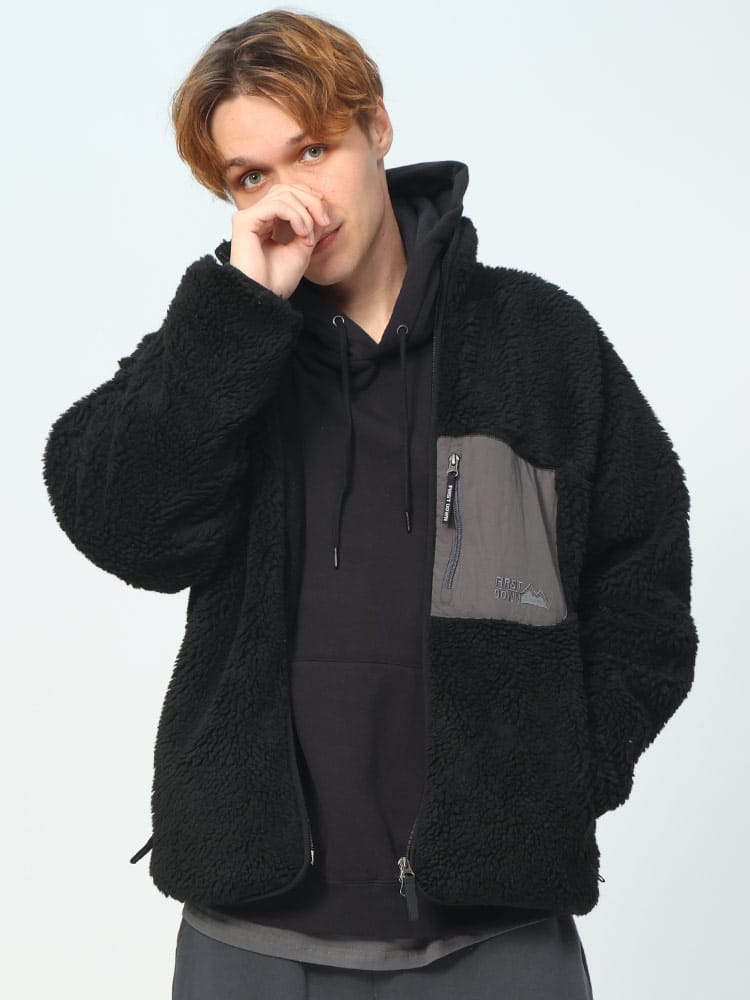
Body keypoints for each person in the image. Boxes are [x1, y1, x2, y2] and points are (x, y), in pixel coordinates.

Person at [41, 9, 699, 999]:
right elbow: (122, 526)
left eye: (312, 149)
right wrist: (237, 314)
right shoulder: (222, 353)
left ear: (377, 127)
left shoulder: (539, 342)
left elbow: (644, 590)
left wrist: (555, 784)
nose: (294, 197)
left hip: (498, 937)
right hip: (250, 937)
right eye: (251, 176)